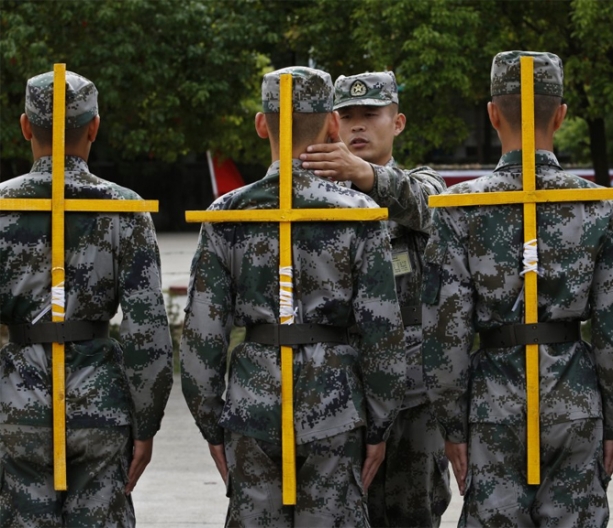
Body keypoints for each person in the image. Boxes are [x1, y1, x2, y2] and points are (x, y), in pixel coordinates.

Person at [180, 66, 407, 526]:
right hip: (335, 409)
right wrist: (379, 423)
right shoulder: (359, 211)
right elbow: (382, 329)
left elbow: (203, 332)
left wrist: (212, 421)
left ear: (262, 124)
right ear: (330, 124)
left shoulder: (228, 213)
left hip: (252, 403)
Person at [421, 51, 613, 527]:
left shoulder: (458, 209)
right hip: (573, 399)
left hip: (493, 399)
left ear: (492, 113)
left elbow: (446, 334)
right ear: (560, 115)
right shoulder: (600, 207)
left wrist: (453, 426)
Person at [0, 71, 173, 526]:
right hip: (100, 404)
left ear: (24, 126)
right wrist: (146, 422)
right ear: (94, 127)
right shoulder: (125, 209)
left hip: (18, 403)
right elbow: (148, 329)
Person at [299, 70, 450, 527]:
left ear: (397, 123)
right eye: (348, 117)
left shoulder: (421, 183)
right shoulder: (317, 197)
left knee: (413, 514)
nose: (358, 126)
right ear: (331, 124)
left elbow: (428, 209)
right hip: (338, 395)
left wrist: (366, 176)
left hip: (413, 393)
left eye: (371, 115)